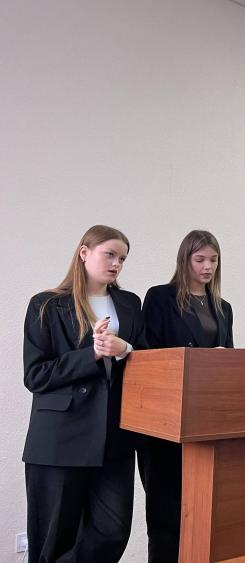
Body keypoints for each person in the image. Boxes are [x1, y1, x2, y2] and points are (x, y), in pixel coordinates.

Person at [22, 225, 147, 563]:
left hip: (115, 436)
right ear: (84, 253)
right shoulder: (46, 304)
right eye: (110, 254)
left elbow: (147, 359)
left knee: (113, 530)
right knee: (53, 539)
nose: (117, 264)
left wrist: (125, 349)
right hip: (60, 438)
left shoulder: (130, 303)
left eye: (122, 258)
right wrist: (90, 354)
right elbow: (35, 375)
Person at [137, 230, 234, 562]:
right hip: (166, 420)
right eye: (200, 259)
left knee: (202, 511)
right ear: (185, 260)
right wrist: (198, 359)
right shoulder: (160, 298)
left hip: (205, 420)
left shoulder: (223, 308)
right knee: (165, 514)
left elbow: (229, 359)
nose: (208, 267)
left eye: (214, 260)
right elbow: (147, 355)